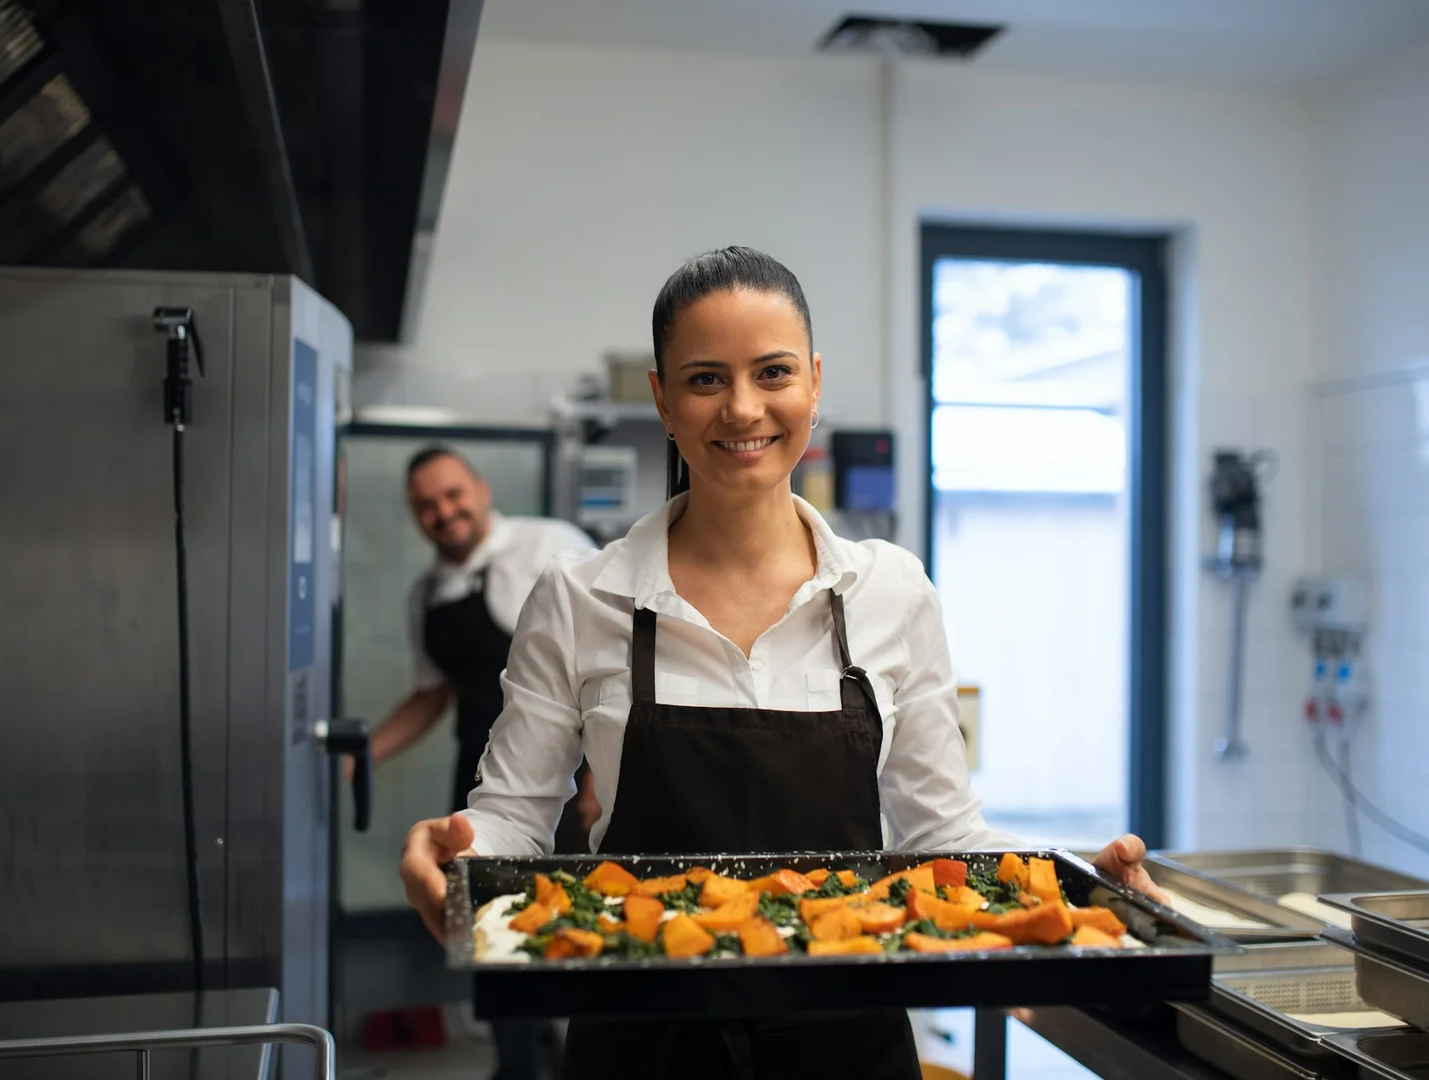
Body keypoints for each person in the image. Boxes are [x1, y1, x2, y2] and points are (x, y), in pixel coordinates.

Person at [399, 247, 1166, 1078]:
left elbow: (942, 835)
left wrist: (1082, 890)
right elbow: (514, 819)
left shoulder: (891, 590)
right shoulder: (582, 598)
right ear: (661, 398)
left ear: (814, 383)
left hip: (848, 1044)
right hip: (640, 1046)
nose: (742, 408)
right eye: (703, 379)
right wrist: (456, 860)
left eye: (773, 373)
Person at [374, 446, 595, 1080]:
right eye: (427, 506)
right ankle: (518, 1065)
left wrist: (602, 775)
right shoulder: (427, 595)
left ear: (480, 487)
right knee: (493, 932)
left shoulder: (548, 546)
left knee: (571, 924)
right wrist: (358, 759)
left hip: (568, 778)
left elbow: (614, 663)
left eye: (452, 495)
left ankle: (572, 1057)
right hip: (477, 781)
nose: (444, 513)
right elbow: (431, 694)